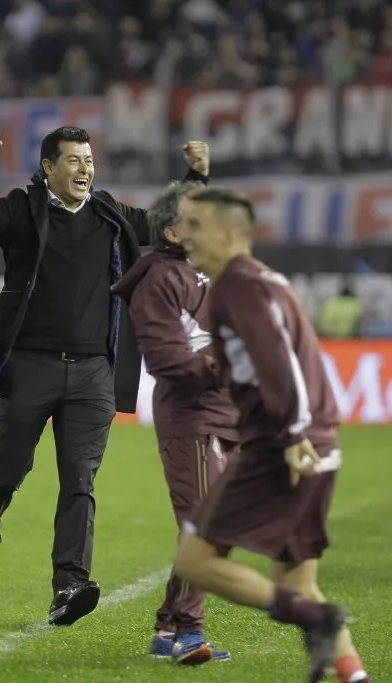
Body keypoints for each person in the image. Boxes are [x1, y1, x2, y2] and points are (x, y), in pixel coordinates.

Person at [0, 126, 210, 625]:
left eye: (89, 160)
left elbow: (169, 224)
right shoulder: (21, 210)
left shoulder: (111, 216)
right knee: (7, 473)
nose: (85, 169)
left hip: (93, 374)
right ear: (48, 168)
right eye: (74, 161)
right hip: (28, 368)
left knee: (80, 480)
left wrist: (195, 177)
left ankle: (69, 584)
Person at [172, 187, 371, 683]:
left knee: (195, 560)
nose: (185, 237)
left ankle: (316, 620)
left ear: (231, 234)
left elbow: (278, 361)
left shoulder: (240, 286)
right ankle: (354, 674)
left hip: (283, 448)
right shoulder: (259, 282)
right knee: (298, 584)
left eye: (196, 226)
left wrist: (293, 431)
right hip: (314, 445)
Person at [111, 181, 237, 664]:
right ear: (170, 232)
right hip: (193, 413)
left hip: (228, 411)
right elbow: (166, 359)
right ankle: (188, 631)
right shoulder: (160, 280)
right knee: (205, 522)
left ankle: (167, 629)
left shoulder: (206, 268)